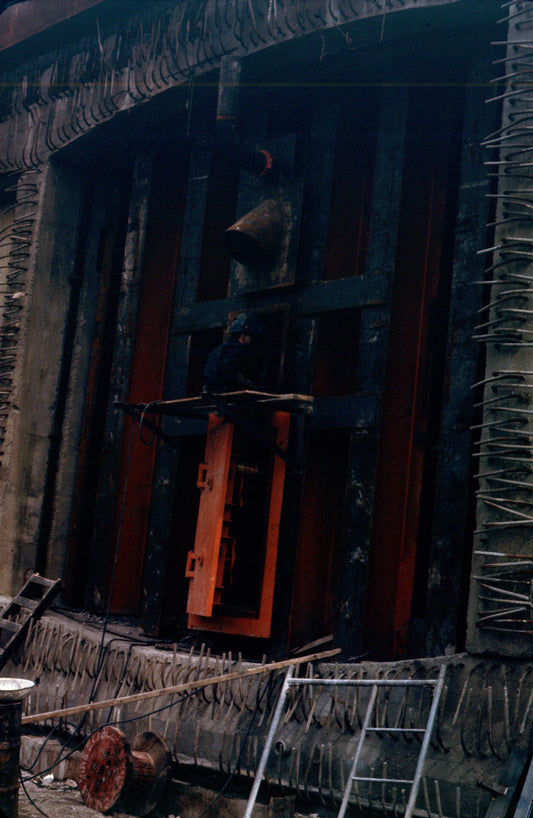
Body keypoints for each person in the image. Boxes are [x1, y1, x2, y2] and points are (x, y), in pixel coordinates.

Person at [202, 313, 265, 394]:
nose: (252, 340)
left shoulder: (218, 350)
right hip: (222, 393)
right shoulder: (236, 348)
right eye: (250, 336)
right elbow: (227, 368)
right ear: (242, 336)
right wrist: (246, 385)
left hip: (209, 391)